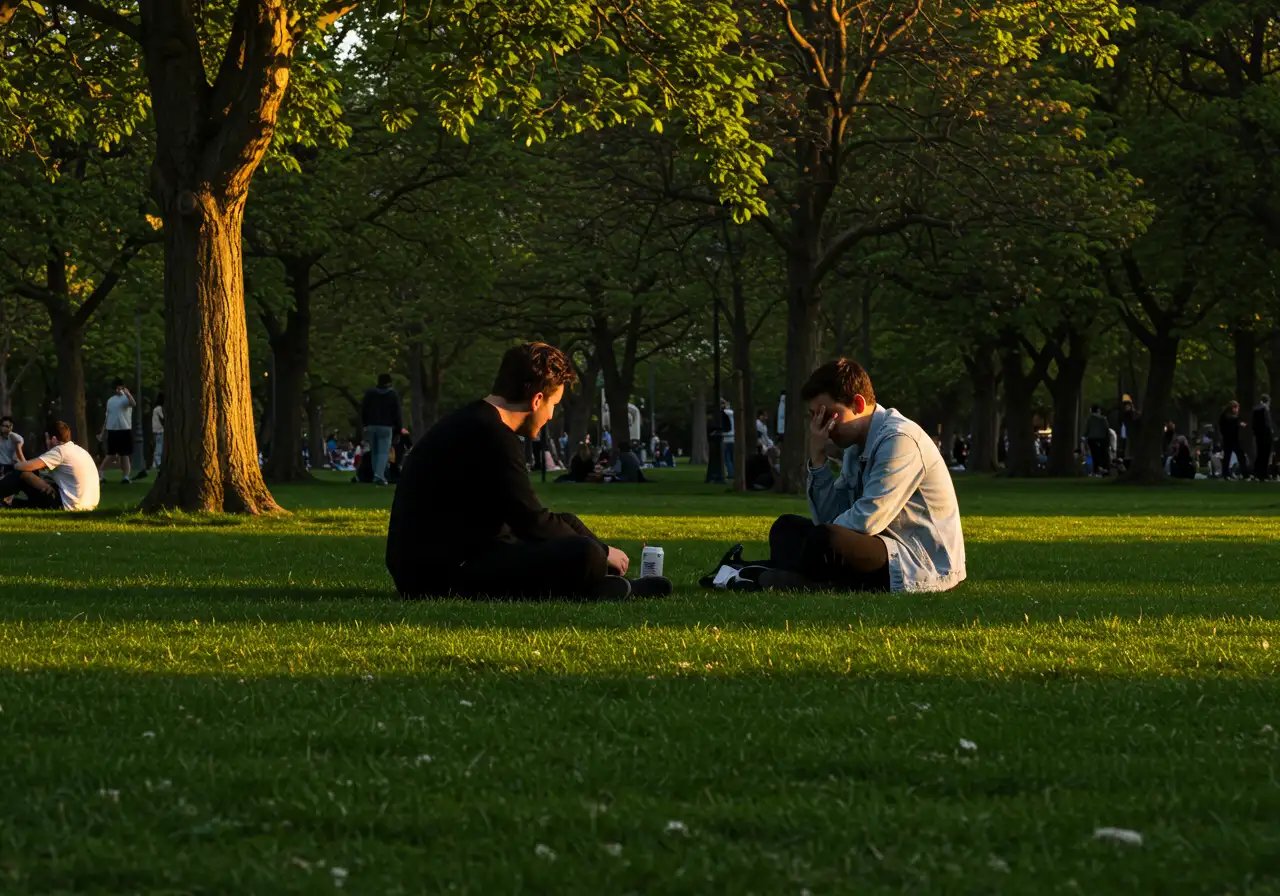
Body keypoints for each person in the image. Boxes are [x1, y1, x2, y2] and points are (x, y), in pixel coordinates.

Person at [385, 342, 670, 600]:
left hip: (451, 555)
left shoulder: (475, 423)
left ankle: (604, 582)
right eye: (553, 405)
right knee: (584, 553)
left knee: (570, 525)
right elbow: (531, 521)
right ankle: (599, 582)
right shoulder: (492, 435)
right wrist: (604, 552)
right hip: (437, 574)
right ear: (536, 400)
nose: (550, 416)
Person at [730, 358, 965, 593]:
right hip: (877, 543)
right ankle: (802, 577)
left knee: (825, 540)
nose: (822, 427)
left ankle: (793, 577)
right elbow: (831, 515)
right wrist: (818, 459)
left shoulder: (900, 440)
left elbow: (867, 520)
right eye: (815, 416)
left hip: (916, 560)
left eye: (828, 415)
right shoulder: (855, 444)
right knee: (786, 528)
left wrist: (817, 539)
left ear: (858, 404)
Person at [0, 420, 100, 511]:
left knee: (22, 473)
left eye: (46, 439)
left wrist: (14, 460)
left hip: (69, 505)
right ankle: (8, 504)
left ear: (53, 439)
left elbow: (24, 467)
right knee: (32, 482)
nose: (46, 442)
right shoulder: (79, 450)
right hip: (87, 505)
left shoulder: (60, 451)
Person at [361, 374, 402, 485]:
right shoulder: (392, 394)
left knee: (375, 451)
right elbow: (397, 413)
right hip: (386, 426)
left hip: (371, 425)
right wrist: (398, 429)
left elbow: (364, 409)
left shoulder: (370, 393)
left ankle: (376, 474)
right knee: (383, 452)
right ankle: (379, 476)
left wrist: (365, 424)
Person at [98, 380, 136, 483]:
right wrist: (102, 432)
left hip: (124, 429)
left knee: (124, 454)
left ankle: (126, 476)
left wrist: (128, 394)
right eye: (117, 388)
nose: (118, 390)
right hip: (112, 430)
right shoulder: (110, 400)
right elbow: (107, 417)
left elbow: (133, 403)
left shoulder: (126, 399)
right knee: (111, 454)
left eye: (121, 388)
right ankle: (100, 472)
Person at [1219, 401, 1246, 479]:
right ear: (1233, 408)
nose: (1238, 410)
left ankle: (1226, 474)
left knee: (1228, 457)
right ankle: (1243, 473)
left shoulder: (1226, 416)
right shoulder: (1228, 416)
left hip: (1229, 439)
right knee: (1239, 456)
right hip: (1231, 439)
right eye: (1237, 408)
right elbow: (1232, 420)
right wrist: (1239, 423)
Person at [1084, 404, 1111, 476]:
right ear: (1098, 410)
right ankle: (1105, 469)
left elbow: (1087, 430)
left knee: (1094, 455)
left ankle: (1096, 470)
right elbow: (1106, 430)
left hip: (1092, 439)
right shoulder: (1103, 419)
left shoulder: (1089, 419)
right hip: (1102, 439)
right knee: (1104, 454)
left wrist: (1084, 436)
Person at [1252, 395, 1273, 481]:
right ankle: (1262, 474)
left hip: (1259, 435)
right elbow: (1267, 424)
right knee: (1264, 455)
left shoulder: (1256, 409)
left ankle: (1258, 473)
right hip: (1265, 435)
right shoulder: (1264, 409)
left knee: (1260, 454)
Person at [720, 399, 736, 477]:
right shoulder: (732, 413)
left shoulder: (724, 413)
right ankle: (735, 472)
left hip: (726, 438)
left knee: (727, 458)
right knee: (732, 458)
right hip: (733, 437)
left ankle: (731, 473)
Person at [151, 392, 165, 469]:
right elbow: (162, 418)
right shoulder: (159, 409)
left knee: (157, 446)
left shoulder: (155, 409)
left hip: (155, 430)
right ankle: (158, 463)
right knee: (159, 448)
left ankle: (154, 464)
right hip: (160, 430)